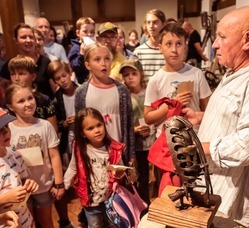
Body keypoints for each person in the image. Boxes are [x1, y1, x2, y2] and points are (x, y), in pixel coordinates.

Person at [187, 6, 249, 228]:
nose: (214, 44)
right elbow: (237, 116)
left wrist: (200, 148)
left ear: (247, 39)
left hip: (239, 209)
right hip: (222, 198)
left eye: (222, 36)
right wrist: (203, 117)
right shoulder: (238, 70)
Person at [5, 84, 64, 228]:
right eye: (21, 101)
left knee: (46, 220)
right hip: (20, 188)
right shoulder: (8, 129)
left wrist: (58, 183)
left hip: (43, 184)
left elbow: (54, 156)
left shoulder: (45, 126)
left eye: (30, 98)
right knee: (26, 223)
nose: (28, 103)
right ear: (10, 106)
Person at [64, 107, 121, 228]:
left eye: (99, 125)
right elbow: (73, 167)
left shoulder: (113, 148)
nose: (97, 130)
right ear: (82, 133)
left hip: (111, 199)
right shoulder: (80, 149)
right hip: (91, 199)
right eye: (90, 128)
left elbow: (119, 170)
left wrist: (123, 173)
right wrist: (62, 185)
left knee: (113, 227)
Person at [144, 23, 211, 137]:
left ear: (185, 47)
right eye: (168, 44)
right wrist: (172, 104)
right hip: (165, 141)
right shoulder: (155, 80)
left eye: (179, 44)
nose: (174, 50)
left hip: (193, 137)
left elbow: (209, 111)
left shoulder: (197, 74)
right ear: (160, 48)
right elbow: (148, 118)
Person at [75, 43, 135, 167]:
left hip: (118, 153)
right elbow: (79, 127)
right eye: (97, 59)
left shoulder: (121, 90)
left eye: (107, 58)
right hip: (94, 156)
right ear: (88, 65)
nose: (103, 63)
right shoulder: (82, 92)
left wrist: (131, 155)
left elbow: (128, 125)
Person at [120, 59, 155, 205]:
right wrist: (134, 130)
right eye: (126, 75)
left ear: (140, 74)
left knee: (156, 176)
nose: (130, 77)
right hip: (138, 145)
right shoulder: (125, 96)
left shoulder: (150, 92)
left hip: (153, 141)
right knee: (141, 177)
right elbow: (124, 122)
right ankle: (143, 205)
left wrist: (151, 127)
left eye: (134, 73)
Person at [0, 23, 53, 99]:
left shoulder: (46, 62)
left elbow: (55, 89)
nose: (28, 40)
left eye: (31, 37)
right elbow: (5, 92)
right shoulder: (9, 65)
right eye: (23, 37)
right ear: (16, 40)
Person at [8, 55, 58, 132]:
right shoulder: (8, 101)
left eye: (21, 74)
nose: (16, 78)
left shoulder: (44, 100)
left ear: (33, 76)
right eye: (13, 74)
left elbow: (53, 130)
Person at [134, 9, 166, 84]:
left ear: (163, 24)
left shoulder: (169, 51)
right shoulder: (138, 52)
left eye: (155, 22)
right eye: (148, 22)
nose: (151, 26)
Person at [68, 16, 96, 84]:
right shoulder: (75, 48)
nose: (89, 34)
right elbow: (74, 67)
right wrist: (81, 55)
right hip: (82, 83)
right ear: (78, 33)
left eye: (92, 32)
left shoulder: (94, 47)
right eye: (85, 32)